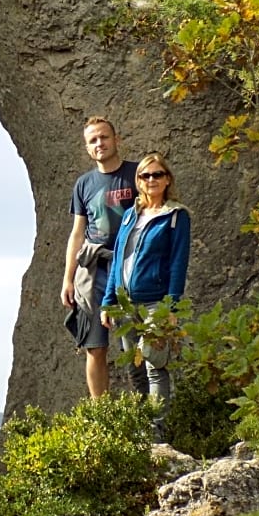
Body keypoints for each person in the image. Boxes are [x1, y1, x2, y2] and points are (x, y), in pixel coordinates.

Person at [99, 152, 190, 428]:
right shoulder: (130, 215)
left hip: (155, 305)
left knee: (154, 364)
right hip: (126, 305)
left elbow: (178, 263)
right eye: (145, 175)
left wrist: (171, 307)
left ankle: (156, 433)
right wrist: (107, 301)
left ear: (167, 179)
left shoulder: (176, 216)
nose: (151, 180)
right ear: (138, 181)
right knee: (134, 369)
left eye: (157, 174)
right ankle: (141, 428)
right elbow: (117, 259)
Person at [60, 116, 148, 397]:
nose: (100, 143)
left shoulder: (138, 174)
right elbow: (77, 233)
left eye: (104, 137)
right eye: (93, 140)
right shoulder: (84, 184)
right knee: (94, 347)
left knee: (133, 344)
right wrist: (68, 278)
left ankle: (145, 410)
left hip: (130, 267)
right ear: (87, 148)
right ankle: (104, 415)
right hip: (94, 269)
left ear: (116, 139)